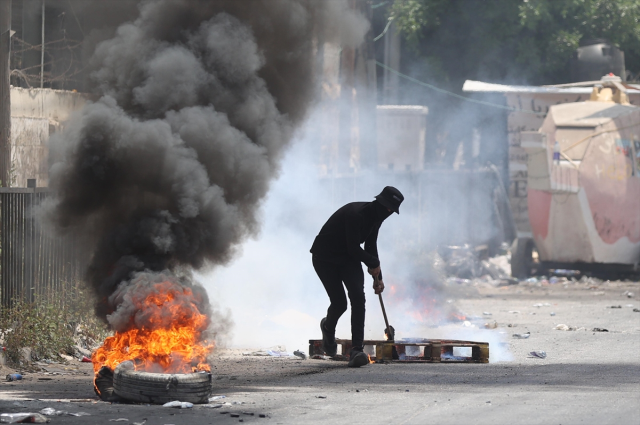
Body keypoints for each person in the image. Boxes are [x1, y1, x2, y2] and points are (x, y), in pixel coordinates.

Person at [310, 186, 404, 367]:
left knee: (358, 298)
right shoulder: (356, 214)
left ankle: (356, 350)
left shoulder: (377, 218)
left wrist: (378, 277)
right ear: (379, 202)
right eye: (387, 208)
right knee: (340, 303)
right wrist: (372, 262)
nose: (389, 212)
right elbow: (354, 248)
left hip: (347, 258)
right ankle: (327, 328)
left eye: (392, 210)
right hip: (325, 258)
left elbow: (370, 246)